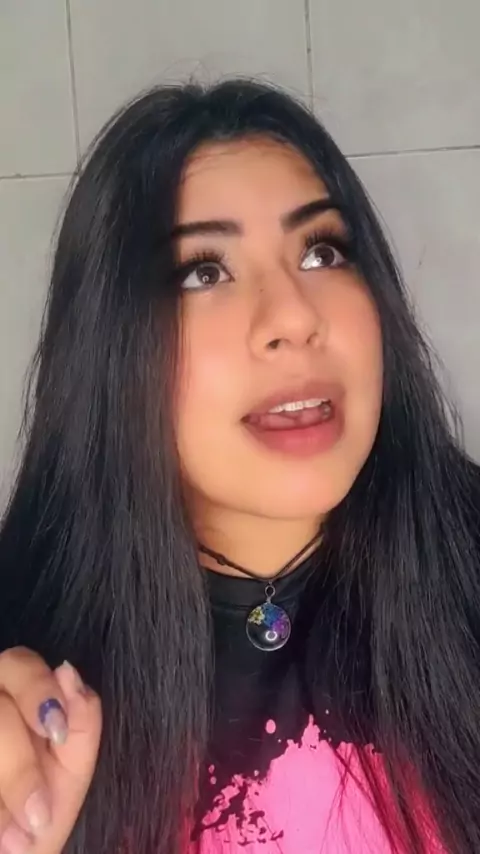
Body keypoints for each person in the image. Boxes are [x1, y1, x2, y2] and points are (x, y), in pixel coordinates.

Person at [0, 78, 478, 854]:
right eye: (203, 271)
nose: (293, 316)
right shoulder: (24, 670)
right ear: (109, 347)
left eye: (322, 251)